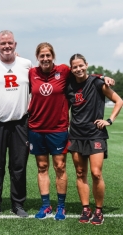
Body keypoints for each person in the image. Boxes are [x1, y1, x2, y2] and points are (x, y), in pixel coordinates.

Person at [28, 42, 114, 221]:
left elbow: (83, 73)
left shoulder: (64, 71)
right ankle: (46, 206)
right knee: (42, 167)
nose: (45, 58)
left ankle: (61, 207)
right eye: (42, 56)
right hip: (36, 127)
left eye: (48, 55)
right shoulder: (31, 73)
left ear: (53, 56)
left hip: (59, 129)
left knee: (61, 167)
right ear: (37, 57)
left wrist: (102, 76)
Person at [66, 53, 123, 225]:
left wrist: (109, 120)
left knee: (96, 173)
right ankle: (85, 208)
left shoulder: (97, 82)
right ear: (71, 69)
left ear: (86, 64)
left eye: (81, 65)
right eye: (75, 67)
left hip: (95, 134)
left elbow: (118, 101)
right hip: (76, 134)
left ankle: (98, 210)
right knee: (80, 173)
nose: (78, 69)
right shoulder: (69, 85)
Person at [0, 30, 33, 218]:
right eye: (3, 43)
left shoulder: (26, 64)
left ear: (15, 44)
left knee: (18, 166)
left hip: (20, 123)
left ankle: (18, 204)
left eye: (10, 43)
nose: (7, 46)